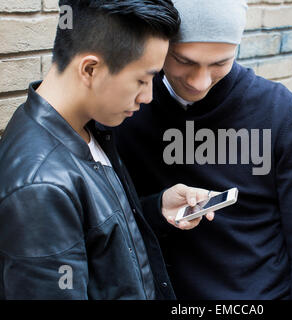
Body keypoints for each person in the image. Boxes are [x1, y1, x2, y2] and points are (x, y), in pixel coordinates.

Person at [115, 0, 292, 299]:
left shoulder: (279, 113)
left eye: (220, 63)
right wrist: (156, 208)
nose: (199, 82)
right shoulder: (127, 112)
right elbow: (114, 224)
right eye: (184, 60)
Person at [0, 0, 214, 300]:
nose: (148, 96)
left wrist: (155, 209)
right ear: (90, 69)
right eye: (142, 79)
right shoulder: (40, 187)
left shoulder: (91, 126)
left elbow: (97, 240)